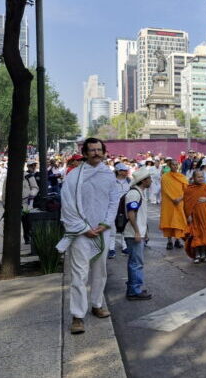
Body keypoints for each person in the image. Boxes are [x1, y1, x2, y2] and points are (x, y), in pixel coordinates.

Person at [57, 138, 120, 335]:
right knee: (79, 275)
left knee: (100, 272)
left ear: (104, 152)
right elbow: (67, 204)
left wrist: (104, 224)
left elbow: (113, 202)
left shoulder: (109, 176)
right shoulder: (74, 177)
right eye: (91, 150)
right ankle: (77, 316)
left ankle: (97, 304)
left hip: (102, 231)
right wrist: (83, 228)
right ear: (84, 153)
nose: (95, 153)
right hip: (80, 233)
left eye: (99, 150)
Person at [124, 168, 153, 300]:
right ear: (144, 181)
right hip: (133, 233)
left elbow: (141, 216)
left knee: (135, 262)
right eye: (149, 178)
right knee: (136, 263)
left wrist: (144, 231)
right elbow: (131, 214)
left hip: (138, 232)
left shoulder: (140, 193)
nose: (151, 181)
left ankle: (134, 287)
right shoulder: (134, 194)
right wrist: (137, 231)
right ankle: (134, 291)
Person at [184, 170, 206, 264]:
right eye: (198, 177)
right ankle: (197, 254)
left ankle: (204, 254)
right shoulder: (189, 189)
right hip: (195, 216)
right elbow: (186, 204)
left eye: (202, 177)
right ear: (193, 178)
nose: (200, 179)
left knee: (205, 233)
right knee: (196, 234)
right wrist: (188, 215)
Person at [161, 161, 189, 250]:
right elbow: (165, 189)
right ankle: (169, 241)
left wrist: (180, 199)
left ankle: (177, 240)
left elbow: (186, 191)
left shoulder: (182, 177)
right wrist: (173, 199)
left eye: (176, 165)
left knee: (178, 220)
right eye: (173, 164)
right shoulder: (165, 177)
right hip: (168, 202)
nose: (175, 166)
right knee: (168, 221)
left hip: (179, 202)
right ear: (169, 166)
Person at [109, 163, 131, 259]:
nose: (126, 172)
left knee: (125, 227)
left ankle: (125, 247)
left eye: (126, 170)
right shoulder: (111, 182)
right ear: (118, 171)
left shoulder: (129, 181)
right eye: (124, 170)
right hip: (114, 208)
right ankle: (111, 249)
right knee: (112, 228)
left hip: (125, 208)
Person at [21, 161, 41, 244]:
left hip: (36, 201)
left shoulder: (38, 174)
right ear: (28, 166)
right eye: (32, 165)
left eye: (34, 165)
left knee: (33, 221)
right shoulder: (26, 175)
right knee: (26, 221)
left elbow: (37, 187)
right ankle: (27, 237)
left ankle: (33, 236)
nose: (33, 167)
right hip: (26, 202)